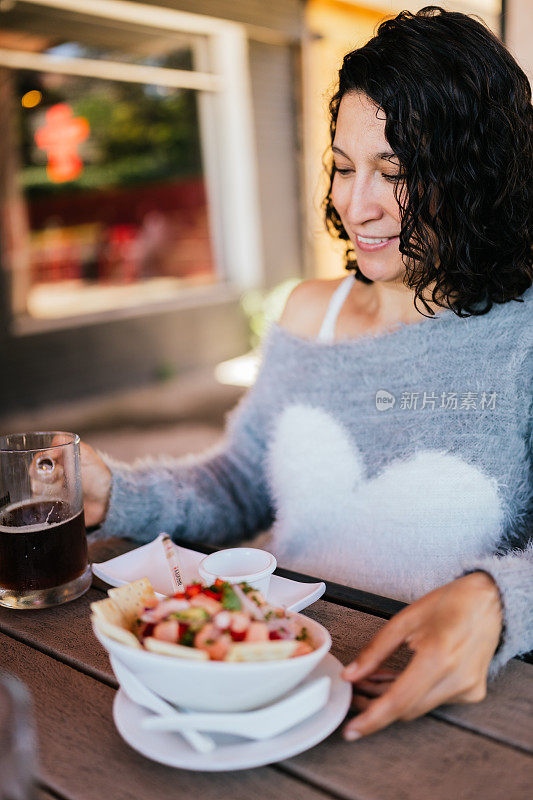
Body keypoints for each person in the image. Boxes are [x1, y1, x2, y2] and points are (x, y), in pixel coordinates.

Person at [76, 7, 533, 740]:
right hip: (263, 679)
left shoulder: (522, 335)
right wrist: (114, 492)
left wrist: (497, 599)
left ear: (478, 175)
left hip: (439, 719)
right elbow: (237, 487)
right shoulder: (307, 312)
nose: (357, 204)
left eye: (397, 172)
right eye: (344, 167)